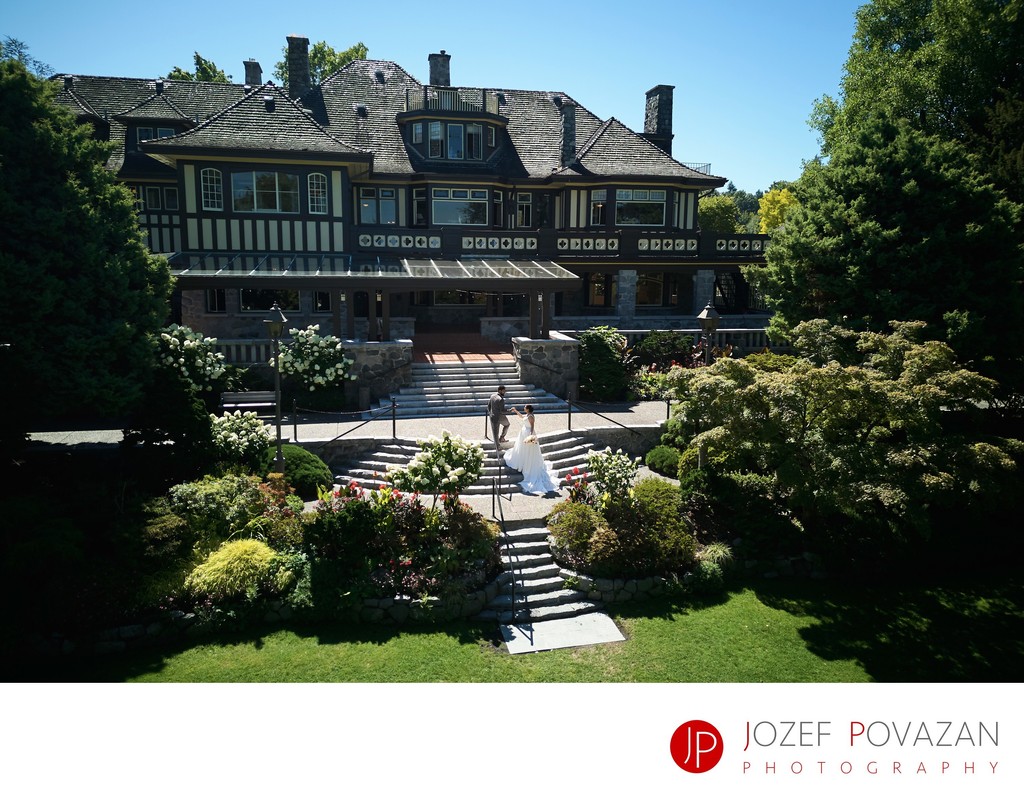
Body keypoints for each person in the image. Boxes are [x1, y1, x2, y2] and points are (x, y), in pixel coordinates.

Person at [503, 404, 560, 495]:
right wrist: (515, 411)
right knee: (522, 449)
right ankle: (522, 462)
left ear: (528, 409)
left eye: (525, 407)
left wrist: (530, 436)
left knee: (528, 451)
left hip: (528, 433)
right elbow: (522, 417)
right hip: (523, 433)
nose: (524, 408)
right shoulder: (527, 415)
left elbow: (532, 426)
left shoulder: (531, 416)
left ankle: (527, 465)